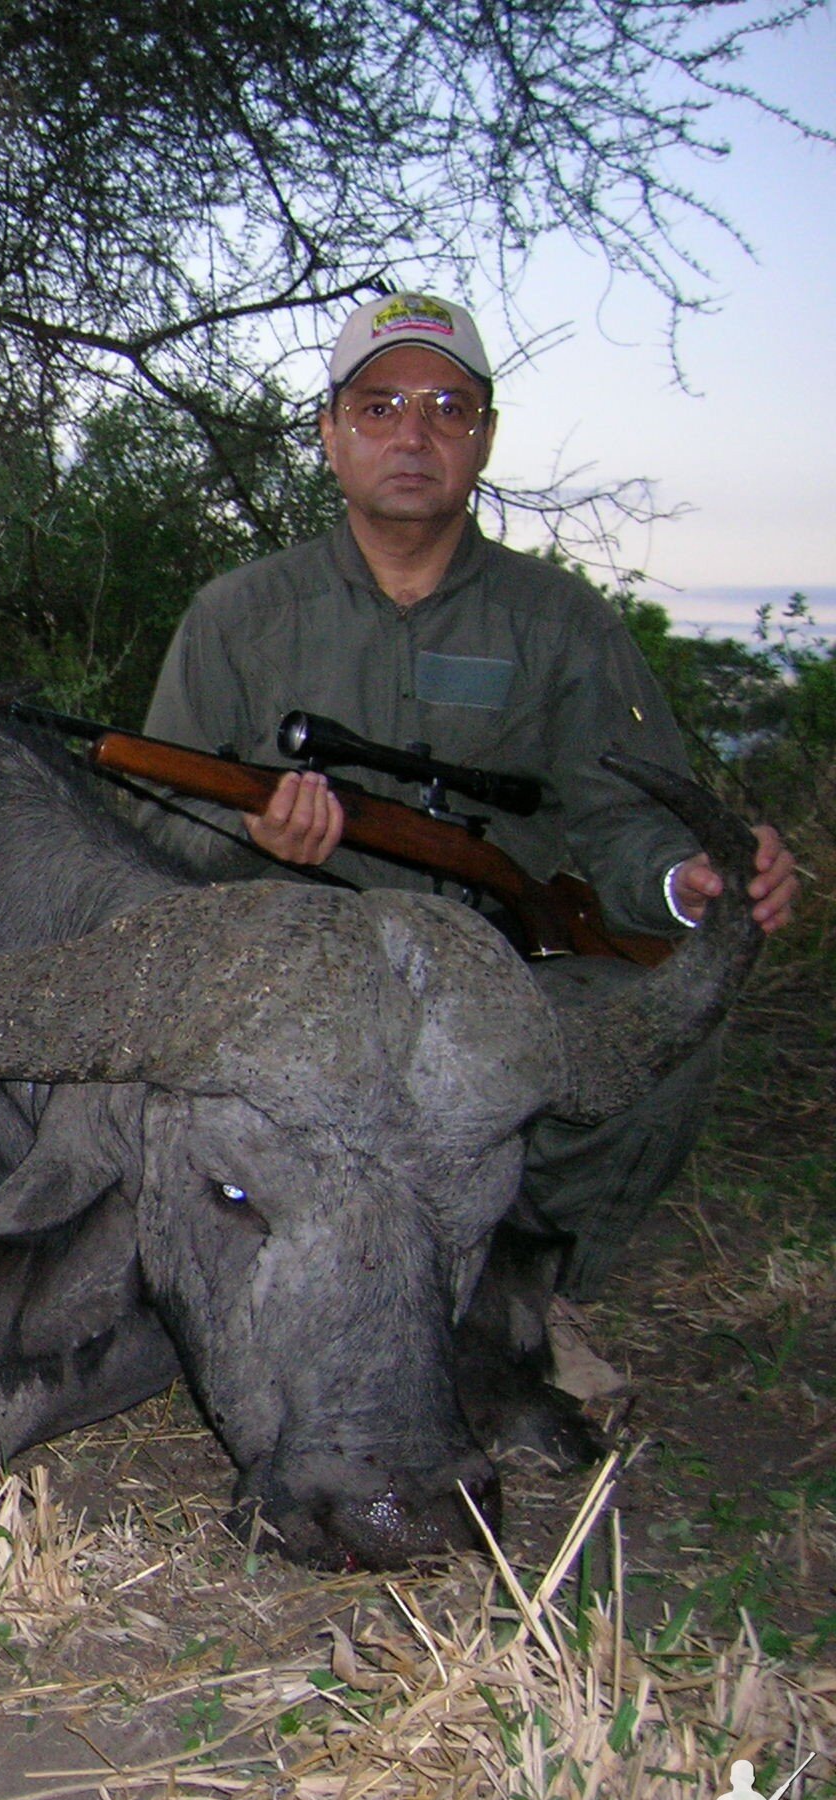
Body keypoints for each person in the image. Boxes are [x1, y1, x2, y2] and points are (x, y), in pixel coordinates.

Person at [140, 291, 798, 1305]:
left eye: (448, 408)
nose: (414, 434)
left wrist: (685, 883)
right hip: (296, 985)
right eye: (379, 407)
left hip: (501, 974)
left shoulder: (563, 622)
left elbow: (627, 824)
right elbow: (151, 827)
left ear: (484, 438)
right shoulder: (237, 616)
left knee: (664, 1026)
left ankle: (525, 1294)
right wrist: (253, 839)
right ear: (329, 435)